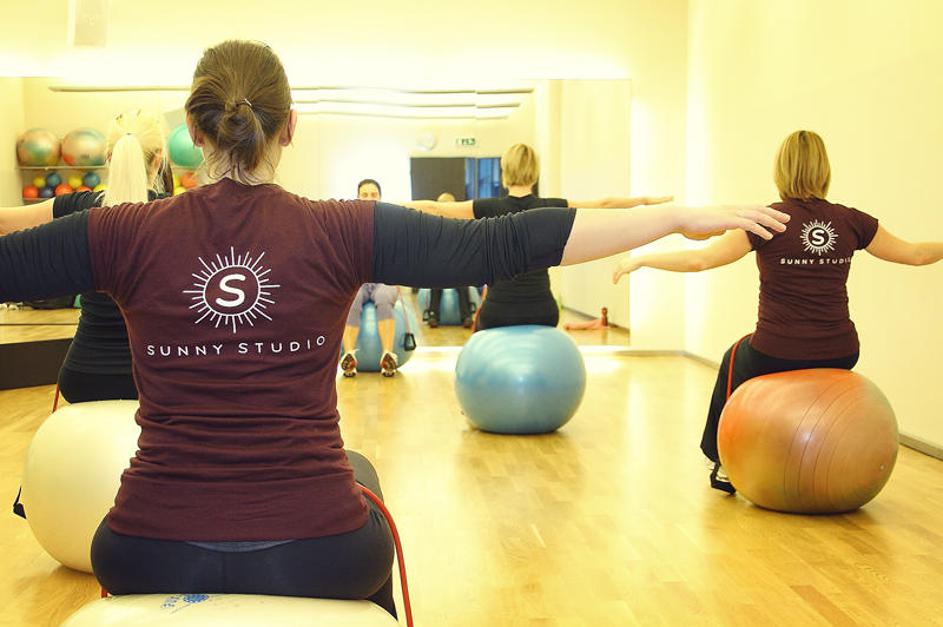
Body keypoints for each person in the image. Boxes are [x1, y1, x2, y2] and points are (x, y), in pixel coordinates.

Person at [0, 40, 788, 617]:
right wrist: (673, 216)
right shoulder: (342, 227)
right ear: (290, 126)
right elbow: (509, 240)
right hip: (317, 551)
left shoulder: (121, 231)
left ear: (195, 132)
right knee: (362, 476)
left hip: (144, 546)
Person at [612, 130, 943, 494]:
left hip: (777, 350)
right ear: (825, 171)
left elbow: (700, 260)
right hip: (841, 350)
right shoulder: (852, 221)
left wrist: (642, 259)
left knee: (734, 357)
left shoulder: (767, 220)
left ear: (780, 171)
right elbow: (916, 255)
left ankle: (722, 463)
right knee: (748, 351)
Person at [406, 143, 673, 330]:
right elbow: (603, 204)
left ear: (505, 172)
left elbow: (435, 208)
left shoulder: (488, 207)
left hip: (499, 311)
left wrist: (385, 208)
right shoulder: (551, 206)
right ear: (535, 172)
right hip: (542, 310)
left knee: (478, 333)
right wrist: (645, 201)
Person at [0, 109, 169, 403]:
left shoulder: (78, 207)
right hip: (155, 379)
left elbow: (3, 222)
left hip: (85, 375)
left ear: (108, 157)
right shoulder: (177, 214)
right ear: (158, 160)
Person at [340, 178, 401, 378]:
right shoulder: (349, 225)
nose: (369, 198)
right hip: (360, 281)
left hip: (384, 280)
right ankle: (349, 355)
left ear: (380, 198)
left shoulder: (391, 224)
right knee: (352, 299)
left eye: (373, 195)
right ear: (357, 197)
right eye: (364, 195)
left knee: (383, 298)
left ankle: (388, 355)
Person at [425, 192, 475, 328]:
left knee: (463, 285)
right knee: (435, 283)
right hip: (440, 268)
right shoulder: (433, 227)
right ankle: (433, 315)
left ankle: (467, 317)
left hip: (457, 268)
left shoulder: (461, 226)